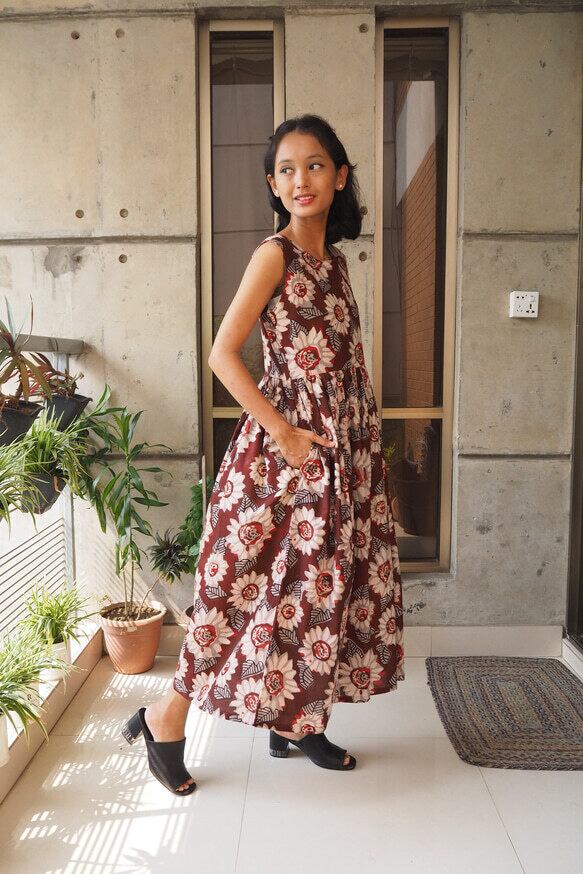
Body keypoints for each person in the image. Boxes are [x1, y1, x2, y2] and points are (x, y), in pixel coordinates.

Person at [122, 114, 405, 796]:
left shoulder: (336, 263)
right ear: (273, 187)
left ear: (340, 176)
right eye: (285, 169)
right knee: (233, 588)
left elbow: (342, 371)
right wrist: (284, 434)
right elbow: (223, 354)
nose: (299, 179)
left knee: (317, 591)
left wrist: (359, 455)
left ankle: (296, 721)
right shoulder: (272, 255)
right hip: (280, 456)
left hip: (338, 457)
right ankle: (164, 718)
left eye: (314, 165)